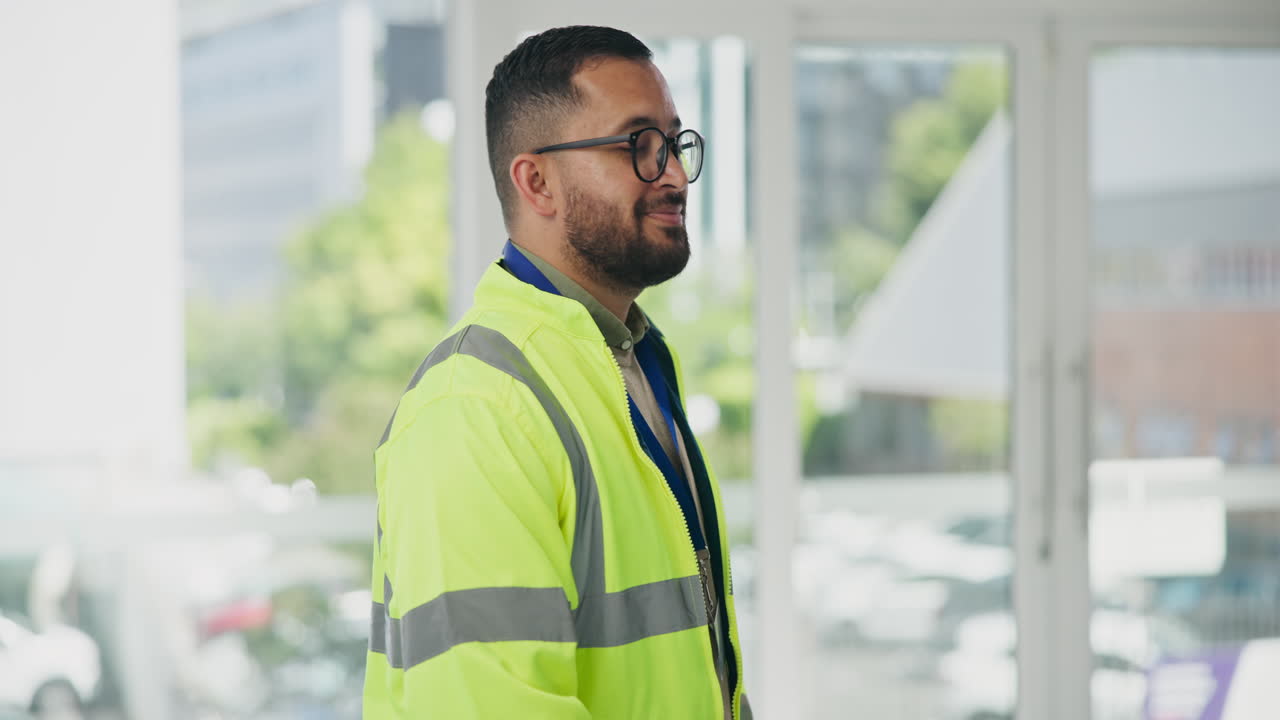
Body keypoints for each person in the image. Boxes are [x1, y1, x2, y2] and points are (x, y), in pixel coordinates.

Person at [363, 25, 750, 720]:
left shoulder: (633, 364)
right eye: (638, 144)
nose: (672, 173)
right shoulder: (477, 407)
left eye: (675, 141)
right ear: (536, 180)